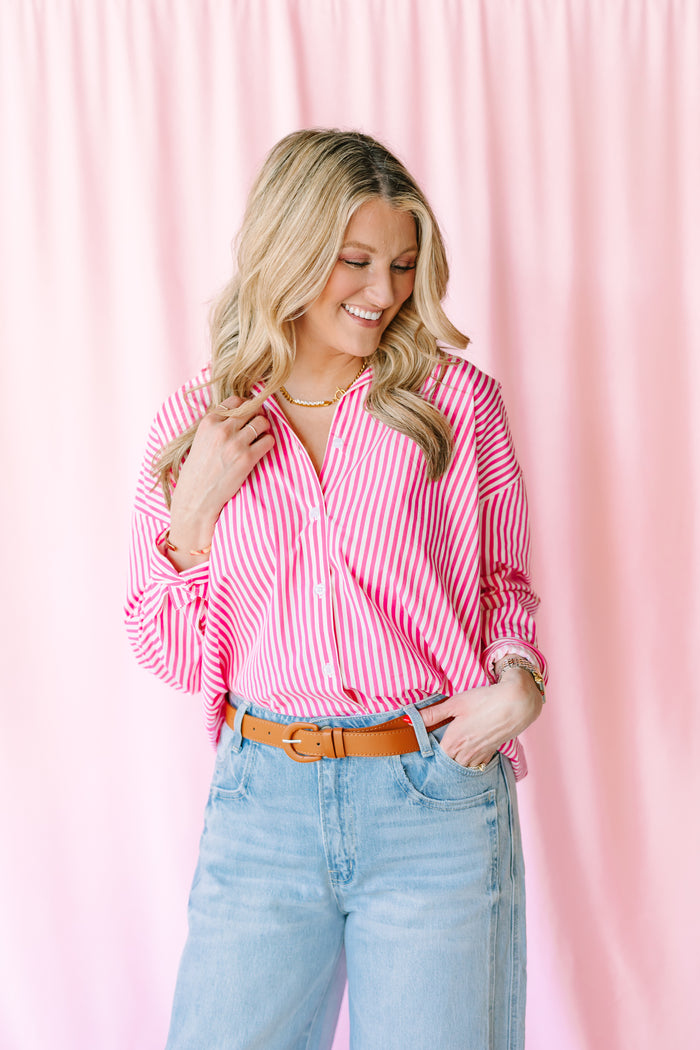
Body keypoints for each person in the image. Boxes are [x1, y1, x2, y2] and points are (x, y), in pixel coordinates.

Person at [125, 128, 546, 1050]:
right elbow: (166, 652)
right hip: (261, 802)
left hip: (432, 792)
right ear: (290, 249)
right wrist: (191, 515)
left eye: (402, 265)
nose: (384, 292)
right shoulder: (199, 420)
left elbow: (500, 583)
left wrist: (520, 678)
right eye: (354, 262)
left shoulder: (454, 404)